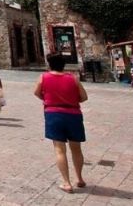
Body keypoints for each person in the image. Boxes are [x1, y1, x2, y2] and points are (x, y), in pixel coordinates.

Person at [34, 53, 88, 194]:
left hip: (54, 114)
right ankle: (80, 178)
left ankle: (66, 182)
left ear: (49, 64)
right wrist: (71, 101)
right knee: (76, 149)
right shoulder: (73, 79)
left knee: (59, 149)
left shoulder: (43, 77)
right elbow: (84, 97)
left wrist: (47, 99)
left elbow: (37, 93)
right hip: (74, 115)